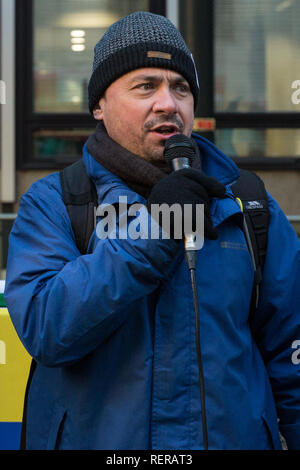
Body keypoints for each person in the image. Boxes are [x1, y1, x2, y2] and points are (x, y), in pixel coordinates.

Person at [4, 11, 300, 450]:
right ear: (99, 105)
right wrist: (158, 227)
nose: (168, 103)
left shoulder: (246, 203)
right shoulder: (57, 202)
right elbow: (48, 329)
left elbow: (289, 351)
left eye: (180, 88)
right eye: (145, 86)